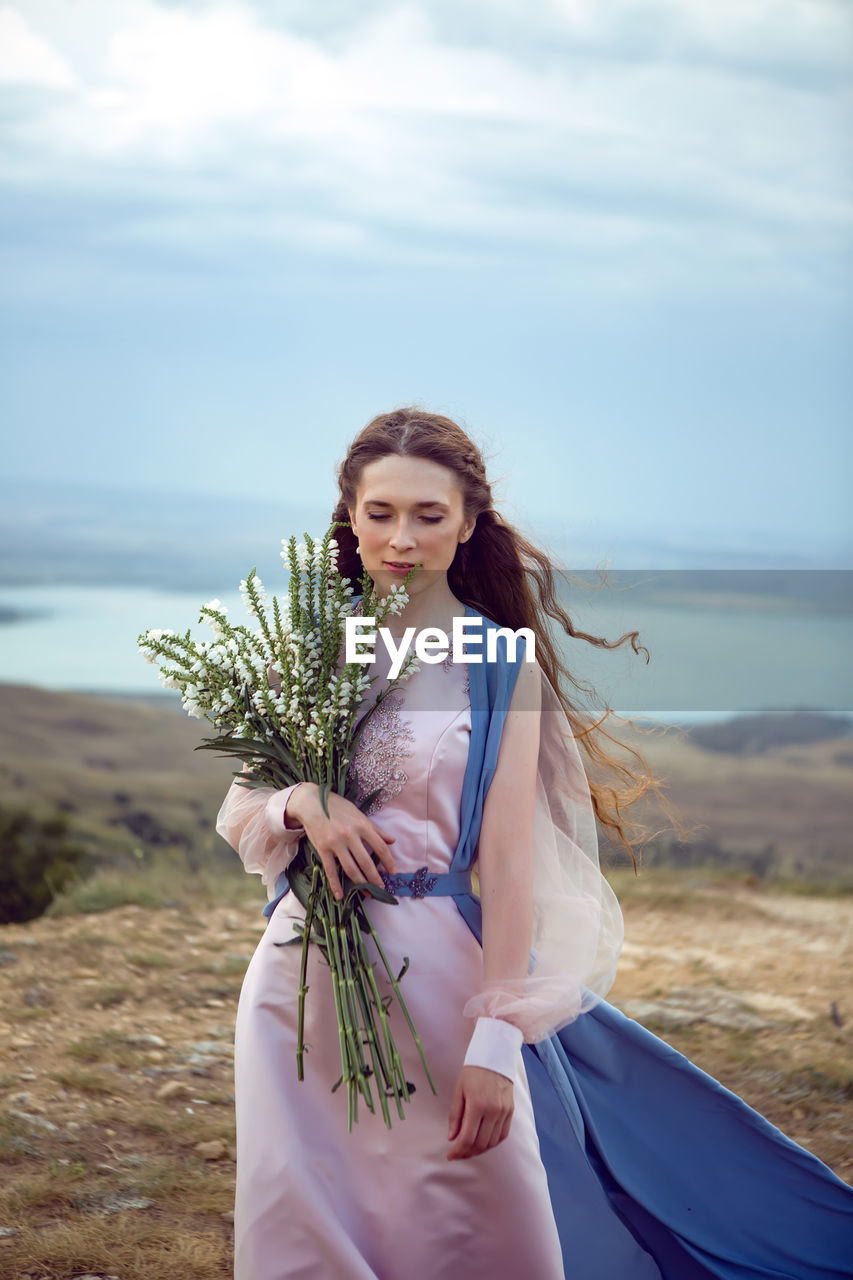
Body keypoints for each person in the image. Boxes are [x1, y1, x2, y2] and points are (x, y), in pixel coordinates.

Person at [216, 407, 853, 1280]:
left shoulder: (500, 661)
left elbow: (510, 860)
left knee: (461, 1225)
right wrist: (302, 802)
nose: (400, 538)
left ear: (468, 524)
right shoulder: (310, 647)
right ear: (349, 516)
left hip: (441, 985)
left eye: (428, 516)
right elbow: (240, 808)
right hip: (299, 984)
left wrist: (494, 1043)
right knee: (302, 1223)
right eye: (380, 513)